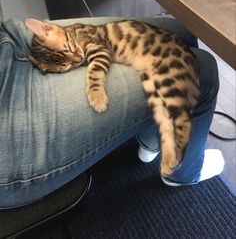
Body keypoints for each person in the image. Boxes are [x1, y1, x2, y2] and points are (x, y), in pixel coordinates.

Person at [0, 16, 224, 209]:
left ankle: (149, 140)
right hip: (9, 109)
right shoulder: (67, 48)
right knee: (203, 69)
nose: (77, 59)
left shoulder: (67, 38)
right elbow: (94, 53)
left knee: (183, 32)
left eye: (71, 51)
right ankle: (183, 172)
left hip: (8, 41)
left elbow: (94, 49)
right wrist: (94, 84)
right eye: (67, 65)